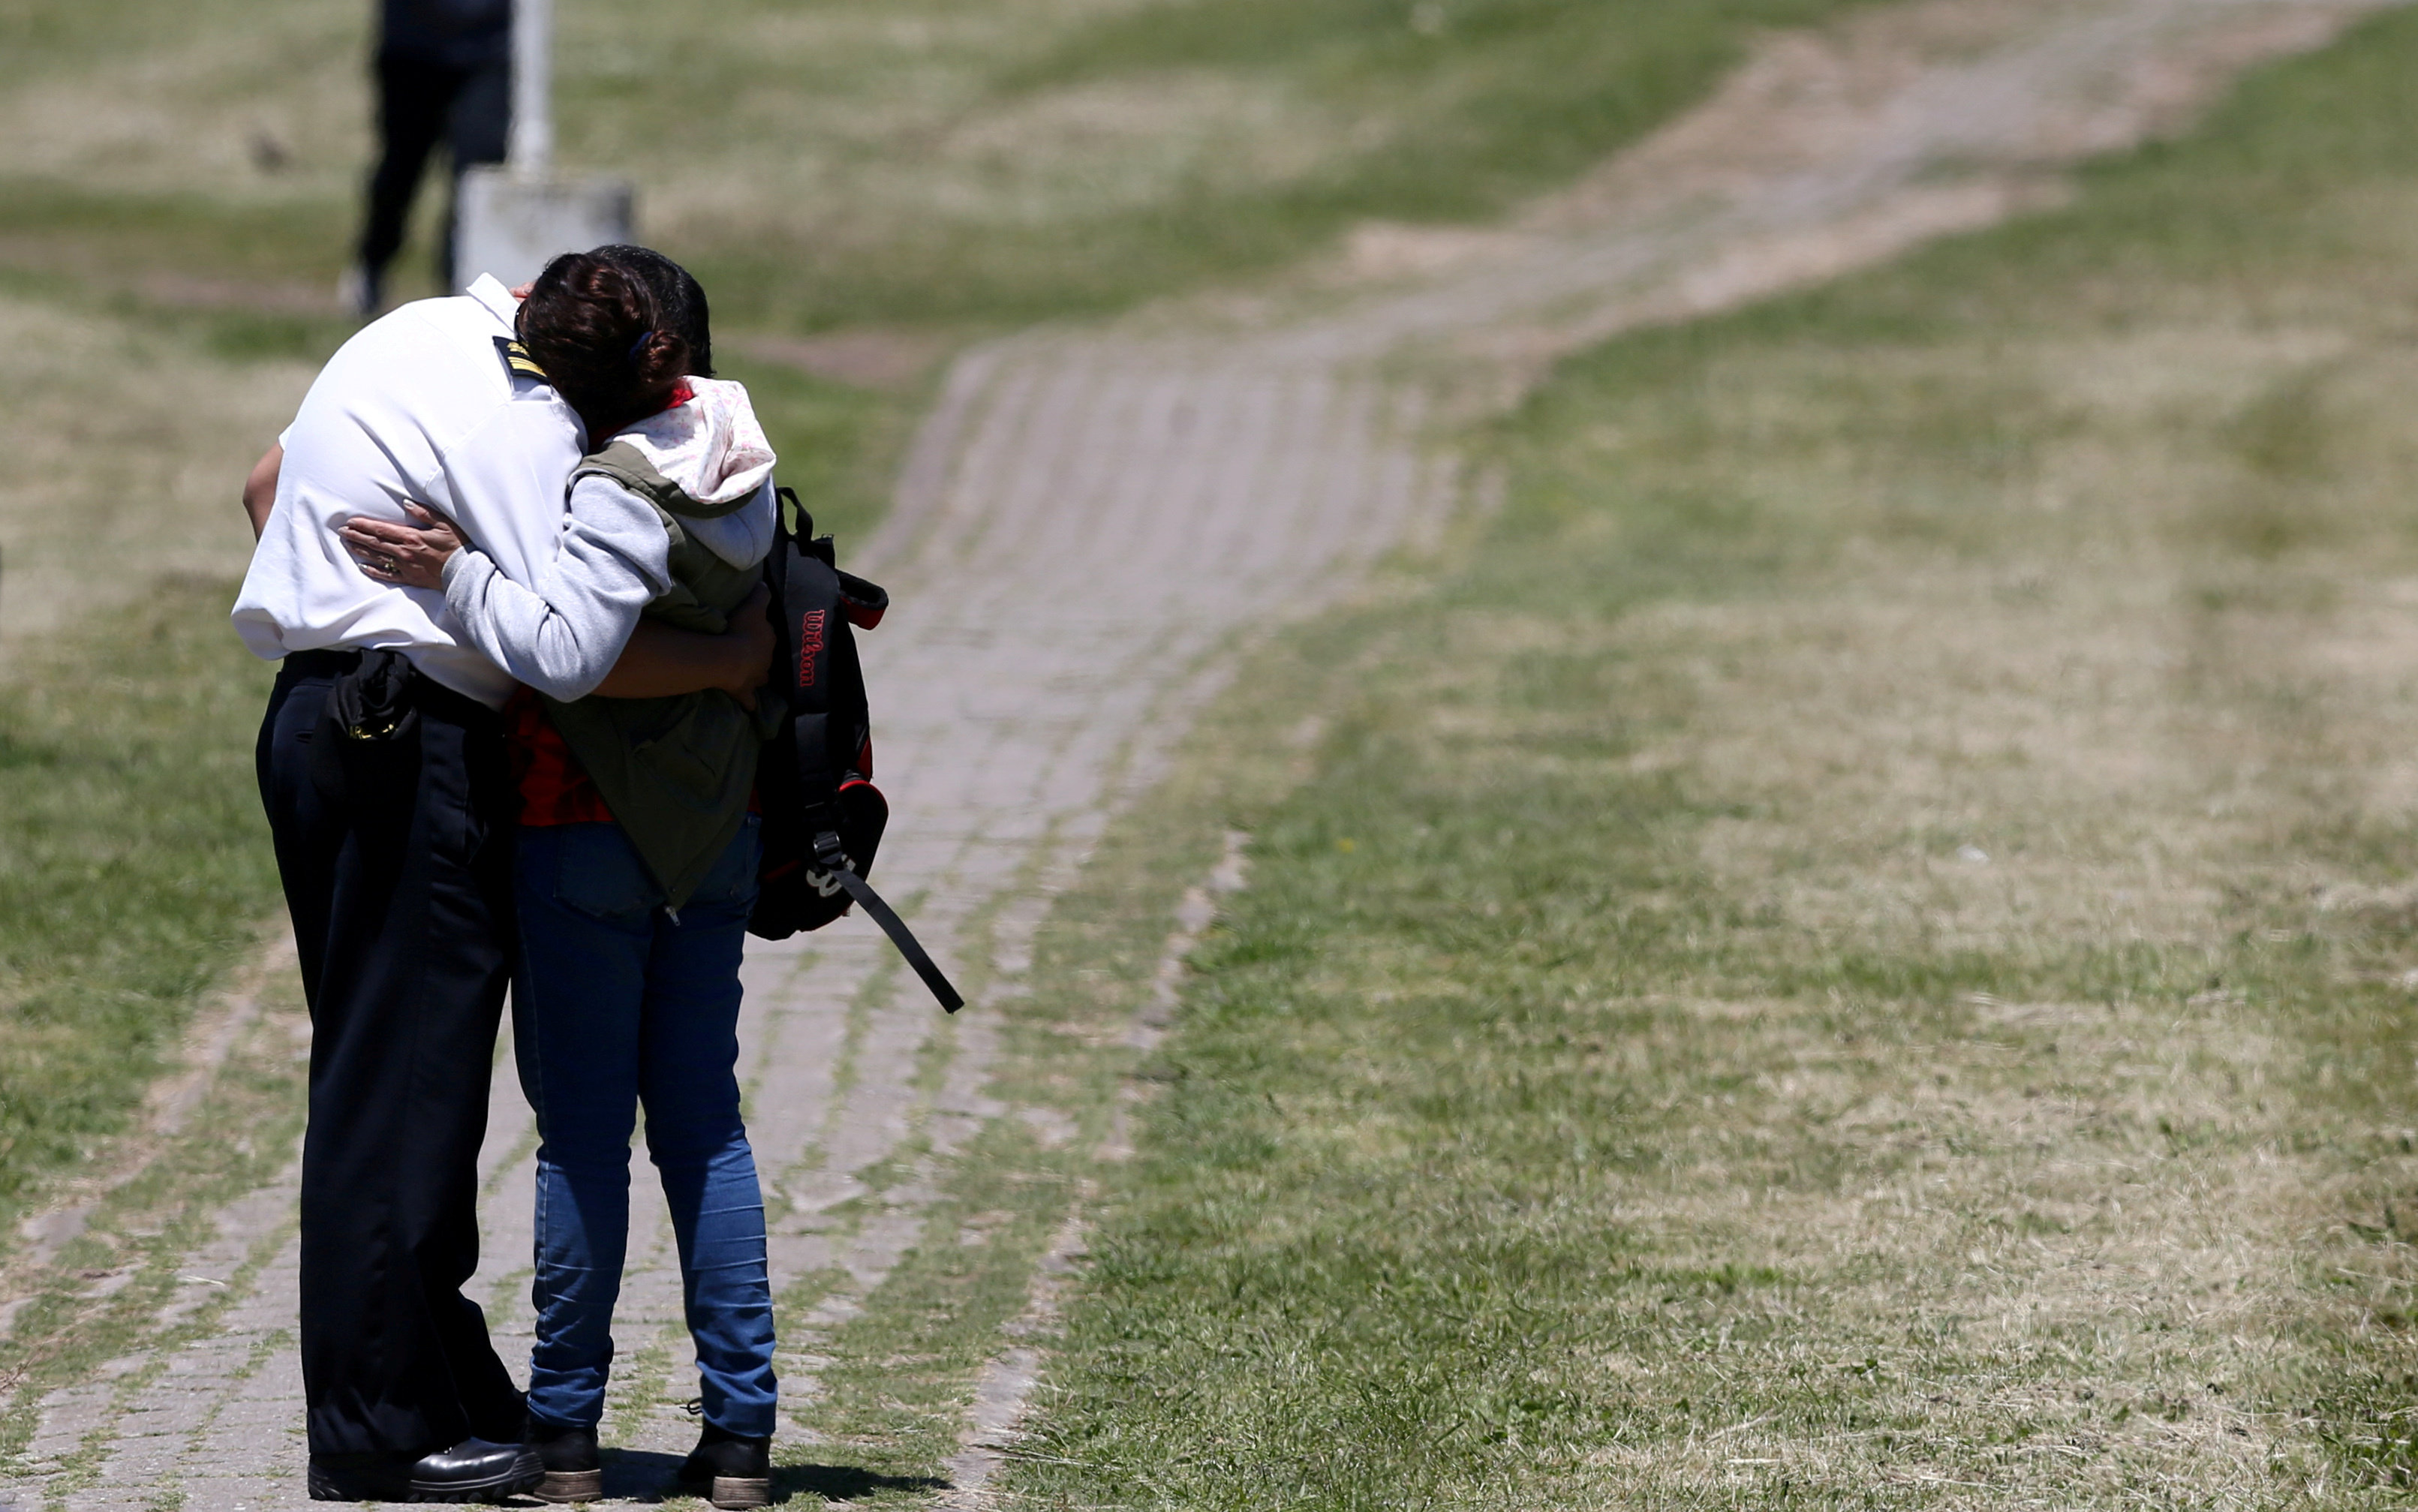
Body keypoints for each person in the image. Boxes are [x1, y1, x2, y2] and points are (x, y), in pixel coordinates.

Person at [231, 266, 771, 1502]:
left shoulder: (414, 330)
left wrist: (350, 613)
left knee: (388, 1067)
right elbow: (579, 652)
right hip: (409, 734)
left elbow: (266, 488)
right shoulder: (524, 420)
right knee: (406, 1082)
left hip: (319, 719)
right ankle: (380, 1429)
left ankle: (441, 1378)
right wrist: (737, 655)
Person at [342, 0, 513, 316]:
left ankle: (460, 289)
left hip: (490, 50)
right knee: (402, 169)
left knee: (476, 176)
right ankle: (372, 262)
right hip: (413, 49)